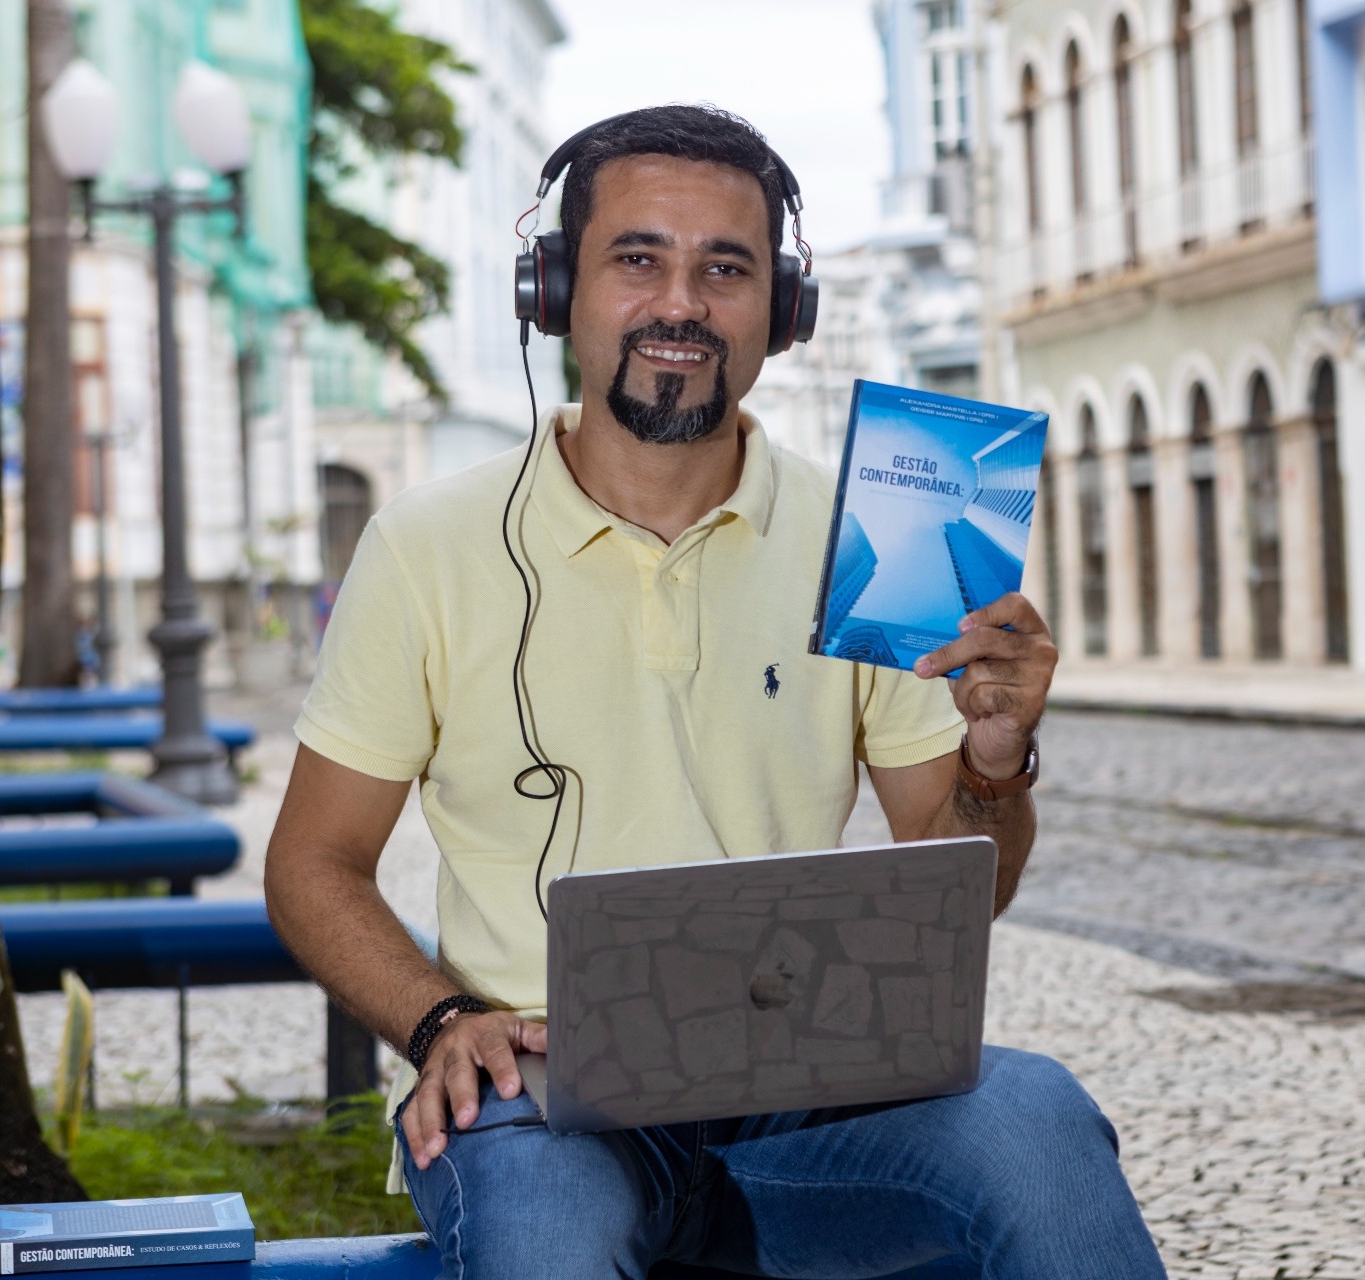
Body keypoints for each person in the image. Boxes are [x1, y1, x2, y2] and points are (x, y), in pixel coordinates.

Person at [264, 105, 1166, 1280]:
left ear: (783, 315)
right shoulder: (426, 543)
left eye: (725, 268)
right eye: (638, 257)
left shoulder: (879, 535)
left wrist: (995, 759)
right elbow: (311, 862)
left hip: (820, 1092)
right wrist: (443, 1022)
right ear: (556, 290)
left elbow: (965, 881)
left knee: (1037, 1118)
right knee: (550, 1249)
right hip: (543, 1095)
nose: (680, 303)